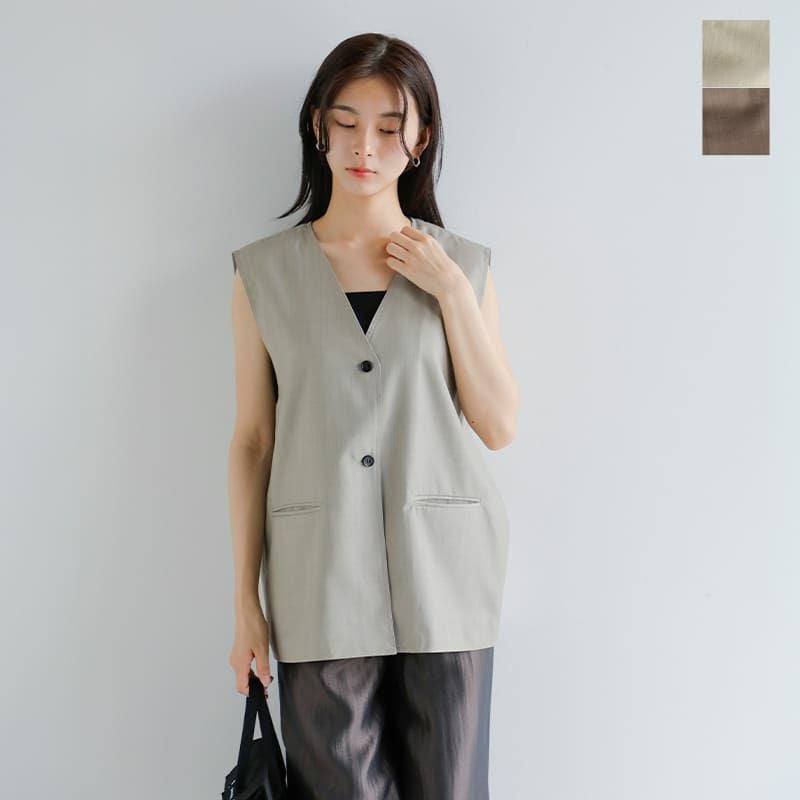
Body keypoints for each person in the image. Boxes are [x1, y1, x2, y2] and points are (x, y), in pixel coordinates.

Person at [227, 32, 519, 800]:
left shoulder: (465, 267)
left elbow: (498, 426)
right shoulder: (264, 273)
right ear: (317, 127)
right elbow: (253, 441)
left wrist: (450, 293)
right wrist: (245, 603)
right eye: (346, 122)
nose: (365, 146)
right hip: (317, 581)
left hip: (446, 581)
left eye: (390, 127)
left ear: (420, 139)